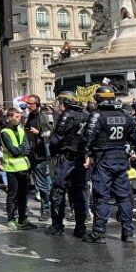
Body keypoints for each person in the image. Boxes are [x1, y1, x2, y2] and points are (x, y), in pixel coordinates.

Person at [82, 85, 136, 244]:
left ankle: (99, 233)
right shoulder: (126, 116)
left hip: (103, 160)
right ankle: (128, 232)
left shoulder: (97, 116)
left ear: (98, 98)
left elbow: (86, 140)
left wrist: (88, 154)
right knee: (124, 198)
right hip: (121, 160)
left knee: (102, 197)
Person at [46, 91, 88, 238]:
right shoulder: (85, 114)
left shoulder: (68, 115)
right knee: (79, 192)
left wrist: (52, 151)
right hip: (80, 158)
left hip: (66, 157)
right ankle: (80, 226)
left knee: (58, 190)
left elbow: (56, 138)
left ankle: (57, 225)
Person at [0, 106, 34, 231]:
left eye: (20, 116)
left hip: (24, 166)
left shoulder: (20, 130)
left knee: (23, 195)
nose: (19, 119)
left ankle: (22, 219)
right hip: (11, 167)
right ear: (9, 118)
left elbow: (27, 147)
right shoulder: (4, 132)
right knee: (12, 195)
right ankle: (11, 219)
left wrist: (21, 150)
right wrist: (21, 150)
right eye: (16, 116)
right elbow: (13, 151)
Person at [24, 94, 51, 221]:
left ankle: (46, 210)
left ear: (37, 104)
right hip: (32, 154)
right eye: (27, 103)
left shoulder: (43, 116)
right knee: (36, 185)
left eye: (31, 104)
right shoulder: (29, 117)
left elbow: (51, 134)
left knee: (43, 185)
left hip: (42, 155)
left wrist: (39, 133)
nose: (28, 106)